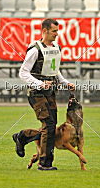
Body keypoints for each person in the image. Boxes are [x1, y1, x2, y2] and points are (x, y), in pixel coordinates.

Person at [12, 19, 75, 171]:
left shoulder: (56, 48)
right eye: (54, 31)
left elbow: (54, 69)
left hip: (50, 92)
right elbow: (23, 72)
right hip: (36, 93)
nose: (57, 34)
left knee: (50, 127)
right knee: (49, 125)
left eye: (57, 31)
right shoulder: (35, 50)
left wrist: (65, 82)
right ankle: (44, 163)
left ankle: (23, 136)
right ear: (45, 31)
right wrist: (40, 84)